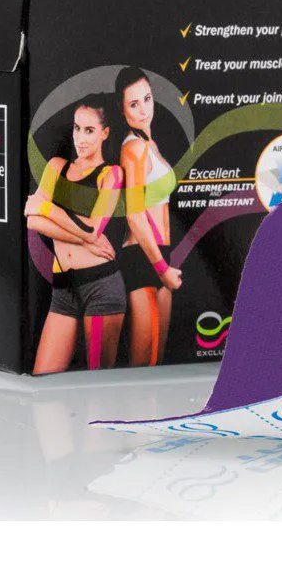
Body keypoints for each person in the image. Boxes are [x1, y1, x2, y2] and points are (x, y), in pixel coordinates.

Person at [25, 99, 125, 374]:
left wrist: (47, 207)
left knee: (98, 379)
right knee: (43, 375)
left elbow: (93, 229)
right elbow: (32, 219)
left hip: (100, 285)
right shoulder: (56, 167)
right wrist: (84, 239)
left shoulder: (111, 175)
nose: (80, 138)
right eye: (77, 128)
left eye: (89, 130)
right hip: (63, 289)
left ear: (105, 133)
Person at [116, 66, 182, 365]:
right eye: (133, 104)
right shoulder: (134, 148)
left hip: (160, 254)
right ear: (122, 110)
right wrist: (162, 269)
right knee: (142, 364)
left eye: (147, 99)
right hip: (143, 257)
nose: (143, 110)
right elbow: (134, 216)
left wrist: (164, 264)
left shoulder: (150, 145)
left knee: (157, 362)